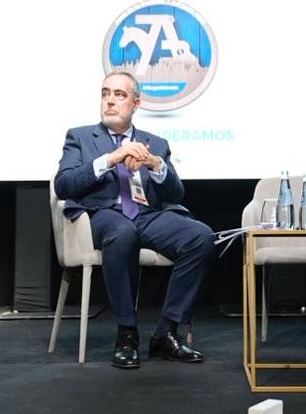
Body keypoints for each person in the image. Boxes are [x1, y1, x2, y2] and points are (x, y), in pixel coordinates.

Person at [54, 72, 213, 369]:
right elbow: (64, 185)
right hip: (103, 216)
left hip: (148, 215)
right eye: (105, 93)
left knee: (200, 237)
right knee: (123, 232)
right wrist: (112, 159)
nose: (110, 100)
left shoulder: (155, 142)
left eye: (119, 94)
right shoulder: (80, 137)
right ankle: (127, 333)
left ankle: (166, 332)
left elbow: (176, 194)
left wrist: (156, 165)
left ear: (136, 103)